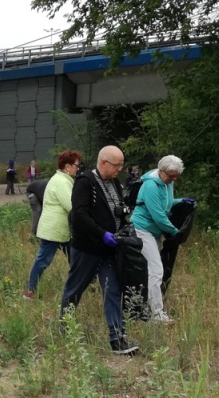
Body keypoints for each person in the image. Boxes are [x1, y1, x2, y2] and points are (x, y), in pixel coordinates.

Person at [59, 146, 138, 356]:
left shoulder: (115, 183)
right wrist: (101, 233)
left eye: (121, 165)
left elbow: (117, 210)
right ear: (103, 162)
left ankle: (118, 338)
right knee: (75, 289)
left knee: (112, 290)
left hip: (109, 250)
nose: (120, 169)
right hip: (87, 248)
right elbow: (80, 215)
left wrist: (123, 227)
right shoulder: (85, 183)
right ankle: (65, 328)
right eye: (116, 165)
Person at [130, 155, 195, 323]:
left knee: (152, 271)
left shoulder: (167, 182)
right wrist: (175, 232)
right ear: (160, 171)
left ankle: (144, 307)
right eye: (171, 175)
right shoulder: (151, 185)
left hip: (154, 232)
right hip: (142, 230)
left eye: (176, 176)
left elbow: (167, 203)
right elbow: (158, 215)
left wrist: (182, 202)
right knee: (156, 271)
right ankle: (156, 313)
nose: (173, 179)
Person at [24, 151, 81, 299]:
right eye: (76, 165)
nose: (78, 168)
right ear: (67, 166)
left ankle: (81, 287)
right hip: (54, 231)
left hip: (63, 231)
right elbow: (71, 205)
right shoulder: (61, 182)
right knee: (43, 261)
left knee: (76, 259)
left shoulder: (65, 180)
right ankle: (29, 291)